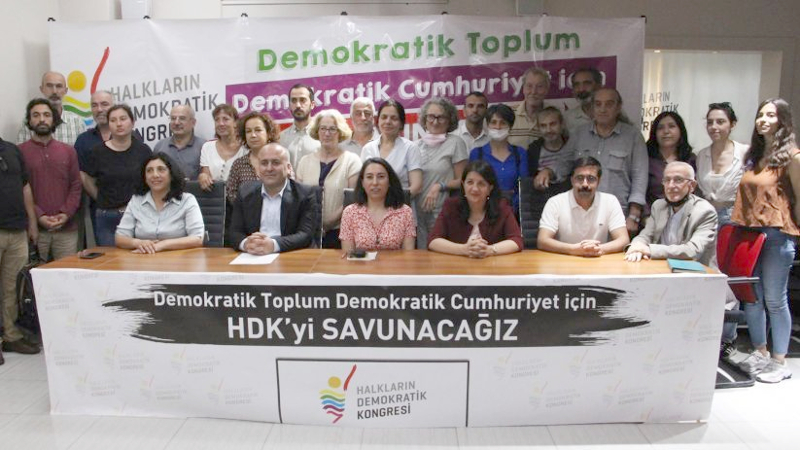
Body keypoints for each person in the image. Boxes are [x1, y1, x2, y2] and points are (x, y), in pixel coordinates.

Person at [731, 98, 800, 383]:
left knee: (775, 299)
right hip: (749, 235)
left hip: (776, 236)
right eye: (761, 114)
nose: (764, 120)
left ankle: (779, 361)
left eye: (771, 115)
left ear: (783, 120)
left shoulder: (793, 157)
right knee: (752, 298)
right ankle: (760, 352)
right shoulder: (754, 156)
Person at [563, 88, 647, 233]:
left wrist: (634, 216)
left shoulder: (633, 136)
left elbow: (640, 177)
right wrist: (548, 172)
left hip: (618, 216)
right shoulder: (579, 134)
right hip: (580, 214)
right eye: (598, 104)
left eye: (609, 104)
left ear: (618, 107)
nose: (603, 109)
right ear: (592, 108)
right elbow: (563, 163)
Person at [18, 98, 82, 261]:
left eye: (46, 115)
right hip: (34, 230)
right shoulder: (19, 152)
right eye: (36, 115)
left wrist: (65, 213)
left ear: (54, 120)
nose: (42, 119)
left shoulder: (68, 151)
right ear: (29, 120)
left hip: (67, 229)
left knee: (67, 273)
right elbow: (19, 189)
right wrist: (39, 216)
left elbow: (76, 186)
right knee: (34, 275)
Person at [81, 104, 152, 246]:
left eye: (123, 119)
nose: (118, 124)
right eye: (113, 120)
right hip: (107, 217)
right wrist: (100, 197)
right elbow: (86, 177)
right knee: (110, 258)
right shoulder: (97, 152)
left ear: (132, 122)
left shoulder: (143, 151)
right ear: (109, 125)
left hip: (138, 216)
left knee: (140, 255)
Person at [228, 143, 318, 254]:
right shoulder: (245, 192)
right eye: (264, 163)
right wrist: (246, 244)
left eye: (276, 163)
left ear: (289, 168)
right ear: (258, 169)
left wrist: (273, 245)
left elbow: (305, 235)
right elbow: (234, 232)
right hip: (253, 255)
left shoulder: (305, 194)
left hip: (290, 254)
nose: (269, 168)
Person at [625, 162, 717, 265]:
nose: (671, 186)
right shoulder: (659, 206)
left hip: (697, 271)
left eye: (678, 180)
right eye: (667, 180)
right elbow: (645, 235)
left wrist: (649, 250)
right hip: (662, 267)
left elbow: (693, 250)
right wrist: (636, 247)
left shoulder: (705, 212)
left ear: (692, 185)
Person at [428, 160, 523, 257]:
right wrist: (463, 249)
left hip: (492, 265)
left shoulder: (502, 207)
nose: (475, 189)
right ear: (463, 185)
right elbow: (433, 240)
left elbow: (516, 240)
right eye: (470, 182)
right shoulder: (451, 206)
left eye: (481, 184)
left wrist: (490, 250)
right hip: (457, 265)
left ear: (490, 188)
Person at [537, 156, 629, 256]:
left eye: (591, 179)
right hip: (565, 259)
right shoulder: (555, 202)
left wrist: (598, 249)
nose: (585, 184)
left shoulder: (610, 201)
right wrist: (573, 250)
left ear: (598, 181)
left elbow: (623, 240)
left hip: (598, 259)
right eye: (580, 178)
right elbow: (542, 240)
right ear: (572, 180)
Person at [296, 109, 362, 248]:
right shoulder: (304, 162)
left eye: (332, 129)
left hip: (341, 233)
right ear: (317, 131)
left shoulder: (352, 161)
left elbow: (353, 199)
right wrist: (314, 225)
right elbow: (299, 199)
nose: (327, 133)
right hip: (308, 233)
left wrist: (327, 224)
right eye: (323, 128)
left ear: (340, 132)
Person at [115, 154, 204, 253]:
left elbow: (197, 238)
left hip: (179, 259)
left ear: (171, 174)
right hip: (143, 257)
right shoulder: (136, 201)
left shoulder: (187, 200)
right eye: (149, 171)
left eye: (161, 169)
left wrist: (163, 245)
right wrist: (138, 243)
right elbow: (120, 237)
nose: (155, 175)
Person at [0, 136, 40, 360]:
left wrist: (32, 223)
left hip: (17, 230)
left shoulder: (12, 150)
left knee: (11, 288)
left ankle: (11, 336)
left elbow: (25, 187)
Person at [414, 97, 468, 247]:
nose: (435, 121)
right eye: (431, 116)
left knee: (440, 253)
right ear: (424, 119)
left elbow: (463, 180)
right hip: (418, 212)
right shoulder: (415, 146)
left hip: (442, 212)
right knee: (421, 255)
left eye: (441, 117)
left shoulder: (455, 143)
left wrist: (440, 186)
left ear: (450, 120)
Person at [339, 158, 415, 252]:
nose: (375, 183)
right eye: (369, 177)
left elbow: (408, 255)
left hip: (395, 262)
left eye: (381, 177)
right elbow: (348, 254)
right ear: (362, 183)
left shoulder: (405, 212)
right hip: (360, 262)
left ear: (389, 182)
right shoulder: (350, 213)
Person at [696, 102, 748, 226]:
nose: (714, 127)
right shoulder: (701, 155)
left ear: (732, 124)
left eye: (720, 122)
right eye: (710, 122)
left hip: (735, 219)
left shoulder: (744, 153)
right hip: (706, 217)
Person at [469, 104, 529, 208]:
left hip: (513, 212)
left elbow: (524, 188)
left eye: (503, 123)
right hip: (484, 211)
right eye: (493, 122)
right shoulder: (477, 154)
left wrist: (509, 207)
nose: (498, 127)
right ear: (487, 125)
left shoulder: (520, 153)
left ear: (510, 126)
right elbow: (472, 186)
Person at [360, 99, 423, 197]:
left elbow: (416, 187)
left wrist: (392, 202)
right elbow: (362, 184)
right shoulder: (368, 148)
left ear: (401, 123)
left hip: (400, 203)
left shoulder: (410, 148)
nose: (388, 122)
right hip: (372, 205)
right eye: (384, 117)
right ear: (378, 121)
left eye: (394, 118)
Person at [645, 111, 696, 214]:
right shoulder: (646, 159)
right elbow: (639, 191)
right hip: (652, 216)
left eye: (671, 126)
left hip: (685, 216)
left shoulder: (690, 159)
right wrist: (646, 217)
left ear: (680, 130)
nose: (666, 131)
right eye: (660, 128)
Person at [17, 71, 85, 146]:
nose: (54, 91)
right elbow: (21, 151)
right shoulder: (29, 122)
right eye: (49, 86)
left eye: (59, 86)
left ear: (65, 91)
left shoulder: (77, 122)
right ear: (42, 89)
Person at [225, 111, 280, 205]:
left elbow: (289, 189)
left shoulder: (280, 160)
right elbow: (231, 193)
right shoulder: (239, 164)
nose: (253, 135)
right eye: (248, 131)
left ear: (268, 133)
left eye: (258, 130)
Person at [198, 104, 246, 191]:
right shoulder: (207, 147)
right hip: (215, 197)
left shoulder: (246, 147)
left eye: (225, 119)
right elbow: (206, 174)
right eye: (217, 120)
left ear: (236, 123)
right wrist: (203, 176)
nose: (221, 123)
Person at [153, 105, 206, 180]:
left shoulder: (204, 147)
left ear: (193, 122)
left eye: (182, 118)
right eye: (173, 118)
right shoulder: (160, 147)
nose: (177, 122)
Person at [528, 106, 574, 191]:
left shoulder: (573, 146)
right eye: (543, 126)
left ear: (562, 124)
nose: (548, 130)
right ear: (538, 128)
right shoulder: (533, 151)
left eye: (553, 124)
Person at [279, 83, 320, 167]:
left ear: (312, 104)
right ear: (289, 105)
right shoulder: (281, 138)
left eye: (302, 100)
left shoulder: (322, 135)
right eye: (294, 101)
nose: (298, 105)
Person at [508, 67, 550, 148]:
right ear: (523, 88)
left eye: (539, 86)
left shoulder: (554, 117)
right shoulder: (509, 114)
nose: (533, 92)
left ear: (546, 89)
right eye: (529, 86)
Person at [563, 67, 602, 133]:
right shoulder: (567, 118)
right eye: (576, 85)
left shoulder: (613, 115)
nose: (581, 89)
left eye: (587, 84)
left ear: (598, 86)